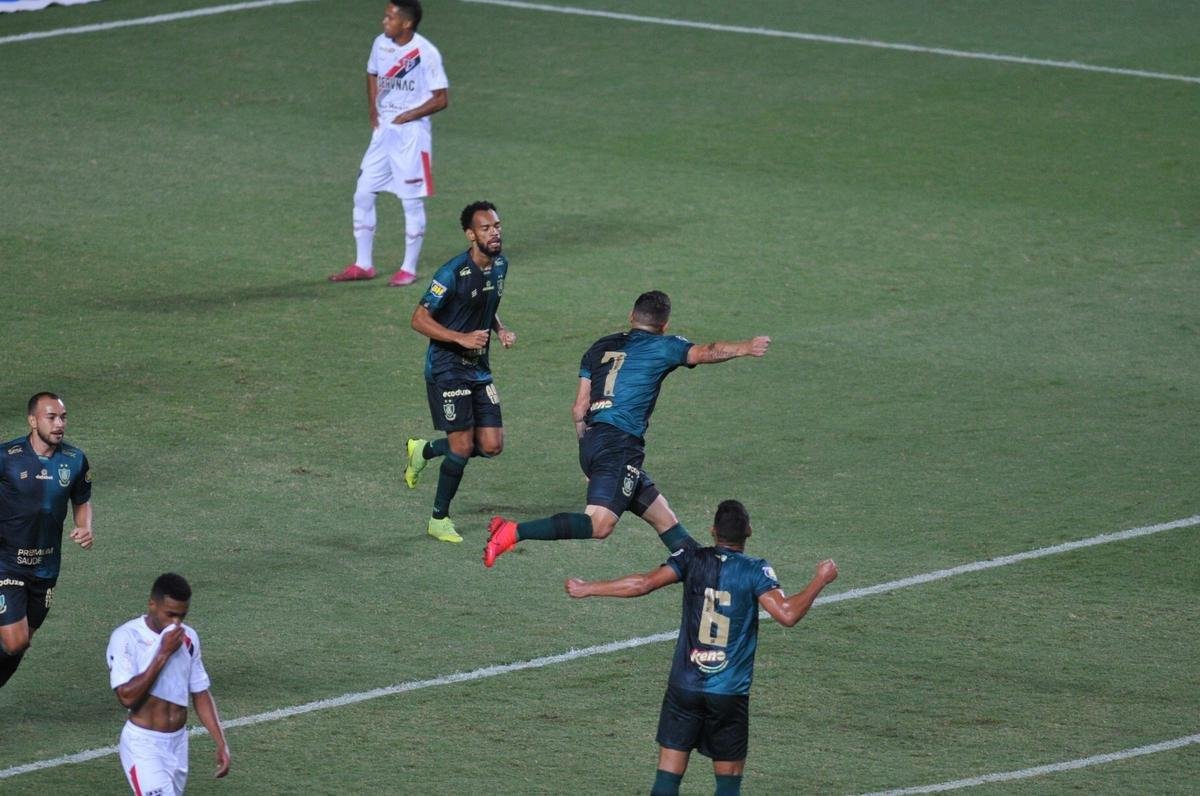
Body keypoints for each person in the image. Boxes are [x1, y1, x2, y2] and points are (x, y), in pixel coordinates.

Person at [565, 500, 838, 796]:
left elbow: (642, 584)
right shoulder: (755, 570)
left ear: (713, 531)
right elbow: (787, 614)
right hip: (728, 693)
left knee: (668, 777)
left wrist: (588, 588)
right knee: (728, 781)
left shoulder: (692, 558)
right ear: (748, 531)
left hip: (685, 688)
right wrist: (820, 580)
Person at [483, 290, 769, 567]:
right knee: (599, 524)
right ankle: (514, 531)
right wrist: (746, 348)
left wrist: (589, 459)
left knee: (663, 518)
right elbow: (706, 352)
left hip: (593, 441)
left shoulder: (599, 347)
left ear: (631, 315)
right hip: (619, 446)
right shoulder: (664, 345)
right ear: (665, 324)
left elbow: (578, 409)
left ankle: (709, 572)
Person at [404, 200, 515, 543]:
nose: (494, 233)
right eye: (485, 228)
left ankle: (424, 451)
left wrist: (500, 329)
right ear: (470, 235)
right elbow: (418, 319)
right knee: (463, 447)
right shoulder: (450, 273)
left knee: (492, 445)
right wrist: (461, 337)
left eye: (496, 226)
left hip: (478, 368)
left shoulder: (500, 266)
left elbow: (485, 302)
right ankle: (439, 518)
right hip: (447, 367)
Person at [329, 0, 449, 287]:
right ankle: (363, 264)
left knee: (410, 201)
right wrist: (373, 107)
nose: (384, 22)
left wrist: (408, 115)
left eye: (389, 17)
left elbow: (441, 99)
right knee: (363, 193)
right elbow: (371, 72)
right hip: (383, 133)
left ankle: (408, 268)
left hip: (411, 136)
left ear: (406, 23)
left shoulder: (426, 53)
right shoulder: (380, 44)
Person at [0, 392, 93, 689]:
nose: (59, 424)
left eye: (62, 417)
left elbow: (82, 499)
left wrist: (84, 526)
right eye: (51, 417)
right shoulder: (6, 457)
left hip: (46, 568)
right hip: (7, 564)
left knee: (22, 643)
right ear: (32, 421)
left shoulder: (75, 460)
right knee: (15, 641)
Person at [107, 572, 231, 794]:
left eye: (182, 616)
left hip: (178, 744)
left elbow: (200, 692)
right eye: (170, 614)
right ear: (152, 605)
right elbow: (126, 696)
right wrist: (163, 653)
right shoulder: (127, 638)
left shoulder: (189, 637)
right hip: (143, 746)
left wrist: (220, 742)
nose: (176, 623)